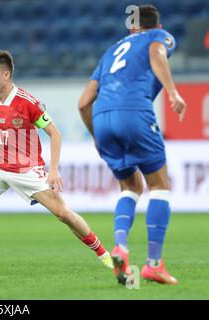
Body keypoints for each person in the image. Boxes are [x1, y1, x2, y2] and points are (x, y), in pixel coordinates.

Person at [0, 50, 113, 270]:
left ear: (6, 75)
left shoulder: (27, 102)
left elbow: (55, 133)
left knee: (63, 214)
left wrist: (53, 170)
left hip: (26, 170)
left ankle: (103, 253)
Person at [78, 5, 186, 285]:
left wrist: (96, 135)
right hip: (134, 112)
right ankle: (153, 264)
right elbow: (156, 53)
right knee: (159, 185)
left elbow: (83, 102)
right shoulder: (159, 37)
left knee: (130, 187)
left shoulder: (111, 50)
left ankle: (121, 247)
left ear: (132, 27)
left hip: (101, 118)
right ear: (158, 26)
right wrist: (173, 92)